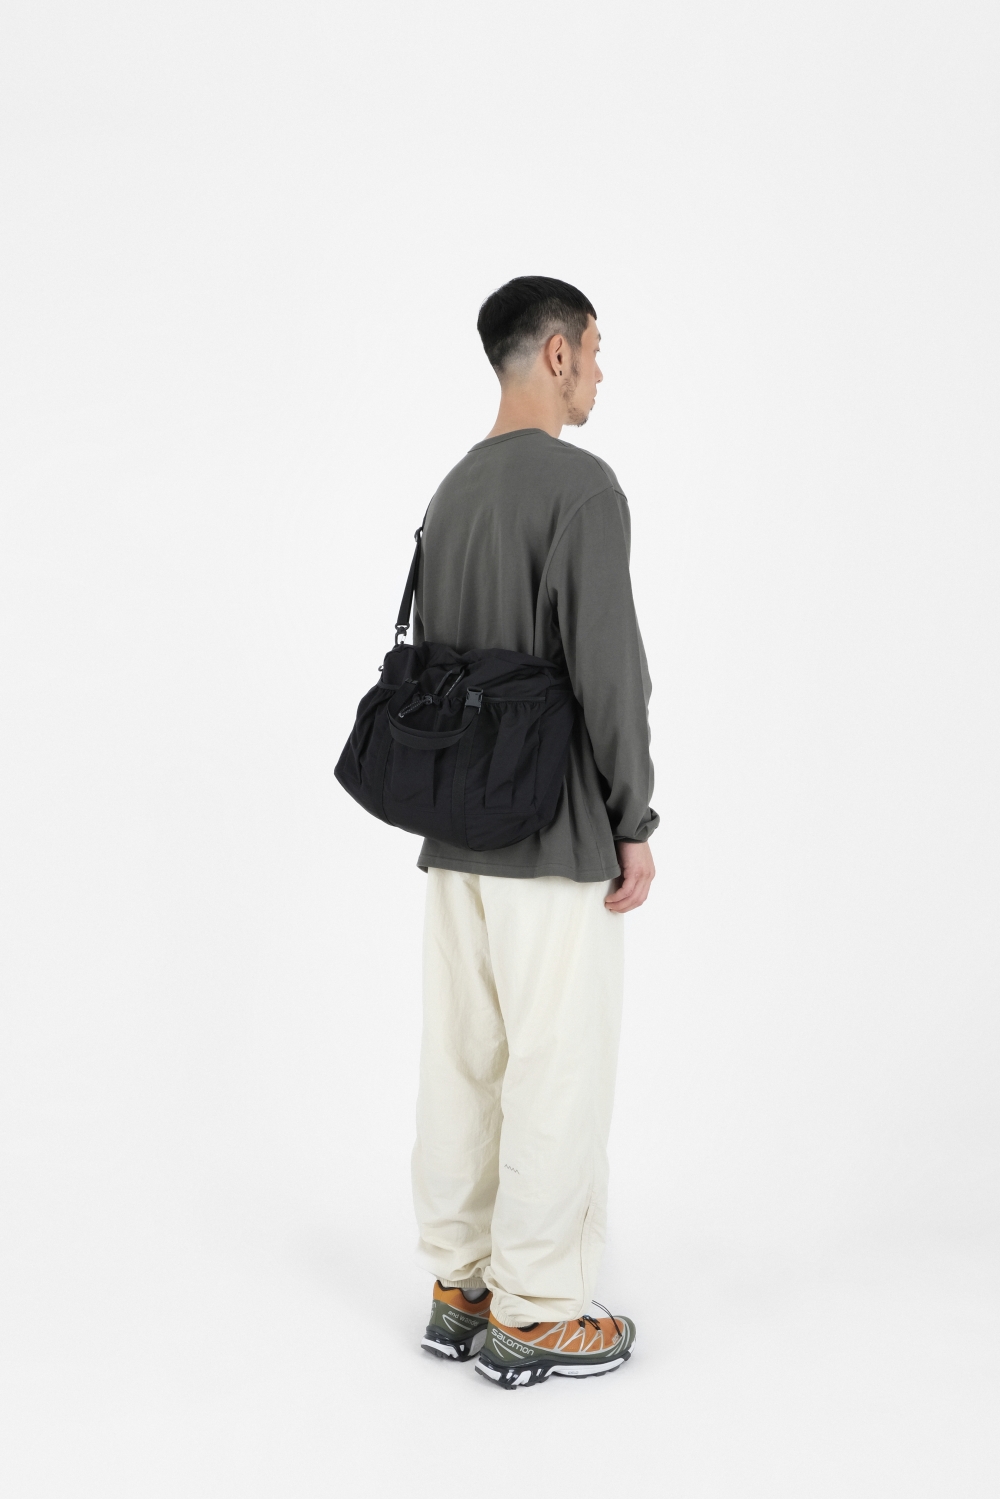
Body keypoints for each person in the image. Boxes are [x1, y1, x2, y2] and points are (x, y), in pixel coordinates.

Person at [411, 276, 658, 1389]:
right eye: (595, 349)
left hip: (456, 833)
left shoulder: (452, 488)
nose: (601, 371)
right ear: (555, 353)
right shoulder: (581, 488)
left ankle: (460, 1285)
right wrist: (631, 817)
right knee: (557, 1067)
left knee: (463, 1062)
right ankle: (541, 1309)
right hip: (553, 835)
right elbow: (610, 673)